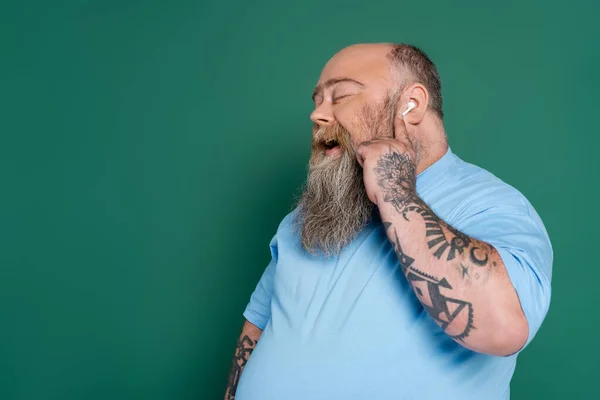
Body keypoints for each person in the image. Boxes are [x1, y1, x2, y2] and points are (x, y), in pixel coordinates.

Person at [223, 43, 553, 400]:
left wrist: (394, 191)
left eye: (341, 95)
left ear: (410, 104)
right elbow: (257, 329)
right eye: (318, 100)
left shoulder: (489, 204)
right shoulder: (306, 217)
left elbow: (503, 328)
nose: (317, 114)